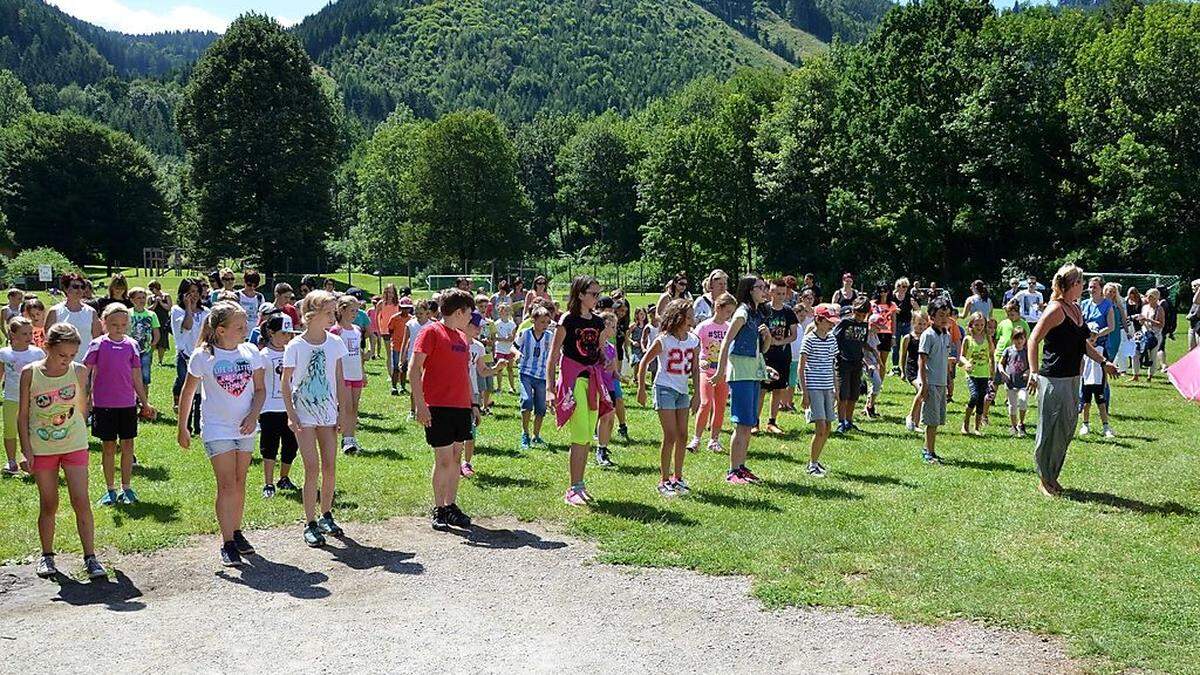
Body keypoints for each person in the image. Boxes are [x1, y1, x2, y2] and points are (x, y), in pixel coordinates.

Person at [177, 302, 265, 567]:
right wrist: (182, 426)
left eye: (245, 324)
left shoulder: (251, 352)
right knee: (226, 484)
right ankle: (226, 542)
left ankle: (237, 532)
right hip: (217, 428)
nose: (245, 330)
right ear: (220, 330)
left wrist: (253, 416)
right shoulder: (204, 356)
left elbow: (260, 390)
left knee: (240, 482)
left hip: (246, 428)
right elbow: (188, 392)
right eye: (239, 327)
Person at [19, 323, 107, 580]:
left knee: (81, 500)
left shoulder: (79, 372)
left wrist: (75, 430)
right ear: (47, 347)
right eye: (61, 355)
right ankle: (47, 556)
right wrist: (26, 451)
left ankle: (90, 557)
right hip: (42, 448)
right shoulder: (30, 374)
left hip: (74, 445)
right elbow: (23, 415)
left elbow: (82, 408)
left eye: (71, 356)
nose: (66, 361)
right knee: (49, 503)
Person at [1027, 264, 1119, 497]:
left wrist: (1103, 362)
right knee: (1050, 428)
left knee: (1067, 428)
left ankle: (1052, 476)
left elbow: (1083, 344)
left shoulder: (1075, 309)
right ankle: (1044, 479)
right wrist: (1034, 372)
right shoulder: (1055, 309)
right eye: (1080, 282)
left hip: (1072, 377)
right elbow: (1033, 340)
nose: (1084, 287)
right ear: (1072, 284)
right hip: (1053, 378)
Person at [282, 290, 350, 547]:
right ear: (312, 315)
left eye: (334, 312)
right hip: (304, 415)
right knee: (311, 468)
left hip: (328, 415)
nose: (333, 317)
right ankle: (309, 522)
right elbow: (285, 384)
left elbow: (341, 381)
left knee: (330, 466)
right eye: (329, 312)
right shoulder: (295, 346)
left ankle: (326, 514)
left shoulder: (335, 343)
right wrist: (291, 415)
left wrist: (344, 414)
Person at [409, 289, 476, 530]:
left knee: (456, 458)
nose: (471, 317)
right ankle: (439, 507)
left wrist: (473, 404)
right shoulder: (431, 331)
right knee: (444, 459)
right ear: (459, 312)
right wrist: (420, 405)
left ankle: (451, 505)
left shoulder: (461, 337)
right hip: (437, 406)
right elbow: (414, 370)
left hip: (460, 407)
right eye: (469, 312)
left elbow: (465, 374)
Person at [548, 276, 611, 506]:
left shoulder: (597, 322)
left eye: (598, 293)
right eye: (593, 294)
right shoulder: (568, 320)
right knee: (580, 434)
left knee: (587, 437)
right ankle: (573, 488)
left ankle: (580, 484)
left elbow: (598, 350)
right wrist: (549, 388)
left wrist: (606, 361)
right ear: (581, 294)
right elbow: (554, 355)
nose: (597, 298)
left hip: (592, 382)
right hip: (574, 383)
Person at [85, 304, 154, 506]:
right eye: (114, 324)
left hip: (127, 404)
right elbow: (85, 373)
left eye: (123, 324)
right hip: (104, 404)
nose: (119, 328)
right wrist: (84, 400)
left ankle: (127, 487)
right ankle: (110, 490)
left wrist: (144, 401)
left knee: (128, 445)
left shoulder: (132, 345)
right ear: (104, 322)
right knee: (108, 448)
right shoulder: (97, 344)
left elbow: (136, 376)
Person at [711, 275, 771, 485]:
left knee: (748, 423)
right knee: (741, 424)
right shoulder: (742, 313)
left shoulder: (756, 314)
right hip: (741, 374)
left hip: (752, 373)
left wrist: (768, 339)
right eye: (760, 287)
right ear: (749, 289)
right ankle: (733, 471)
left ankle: (741, 467)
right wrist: (720, 371)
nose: (764, 290)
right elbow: (726, 342)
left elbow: (758, 350)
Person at [637, 299, 700, 497]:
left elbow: (696, 369)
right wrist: (641, 388)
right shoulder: (663, 340)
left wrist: (697, 394)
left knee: (683, 435)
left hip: (682, 391)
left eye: (692, 316)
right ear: (677, 317)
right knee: (670, 435)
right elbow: (644, 362)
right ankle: (664, 480)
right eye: (688, 317)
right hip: (665, 388)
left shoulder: (693, 340)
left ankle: (678, 477)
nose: (692, 320)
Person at [256, 310, 299, 498]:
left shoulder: (294, 352)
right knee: (269, 445)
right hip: (270, 408)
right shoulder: (263, 355)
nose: (287, 337)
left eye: (289, 334)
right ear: (271, 333)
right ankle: (268, 482)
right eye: (283, 333)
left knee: (291, 444)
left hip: (290, 407)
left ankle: (284, 477)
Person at [461, 311, 508, 478]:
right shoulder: (454, 343)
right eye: (476, 326)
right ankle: (453, 461)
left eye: (480, 327)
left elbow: (482, 370)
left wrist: (496, 369)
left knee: (470, 430)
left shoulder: (479, 347)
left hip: (472, 392)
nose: (479, 330)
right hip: (455, 392)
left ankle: (466, 463)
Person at [799, 305, 840, 477]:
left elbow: (832, 365)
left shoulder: (831, 339)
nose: (831, 325)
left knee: (828, 426)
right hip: (814, 387)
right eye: (829, 322)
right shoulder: (809, 339)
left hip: (827, 387)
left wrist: (836, 389)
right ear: (819, 320)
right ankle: (812, 464)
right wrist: (805, 393)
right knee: (821, 426)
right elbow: (801, 368)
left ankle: (815, 460)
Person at [690, 293, 735, 452]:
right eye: (728, 311)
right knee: (706, 402)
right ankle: (696, 439)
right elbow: (694, 344)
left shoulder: (730, 328)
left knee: (720, 406)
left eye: (731, 312)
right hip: (707, 371)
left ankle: (714, 439)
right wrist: (699, 359)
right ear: (718, 308)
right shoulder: (704, 326)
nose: (729, 315)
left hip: (723, 372)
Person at [1, 317, 44, 475]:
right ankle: (12, 462)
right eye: (24, 333)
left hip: (33, 400)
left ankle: (32, 461)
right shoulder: (4, 353)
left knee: (32, 431)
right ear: (12, 335)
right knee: (10, 430)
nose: (29, 337)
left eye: (30, 333)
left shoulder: (37, 353)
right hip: (11, 399)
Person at [760, 279, 798, 434]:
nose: (780, 296)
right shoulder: (763, 309)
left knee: (778, 389)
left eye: (783, 293)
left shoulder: (788, 311)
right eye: (777, 292)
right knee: (761, 389)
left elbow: (794, 335)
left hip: (782, 356)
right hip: (765, 355)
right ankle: (755, 422)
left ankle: (772, 422)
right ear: (770, 292)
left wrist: (780, 341)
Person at [171, 279, 209, 436]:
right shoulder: (177, 310)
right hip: (185, 355)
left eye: (196, 292)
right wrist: (188, 307)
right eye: (190, 292)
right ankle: (185, 425)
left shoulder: (206, 312)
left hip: (202, 355)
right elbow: (186, 326)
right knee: (187, 390)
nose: (194, 295)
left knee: (201, 393)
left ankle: (199, 426)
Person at [917, 299, 953, 463]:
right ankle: (927, 452)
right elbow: (922, 361)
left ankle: (931, 449)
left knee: (937, 420)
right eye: (940, 315)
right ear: (932, 317)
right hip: (930, 382)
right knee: (931, 421)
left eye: (947, 315)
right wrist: (924, 384)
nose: (944, 319)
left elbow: (945, 360)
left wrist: (949, 380)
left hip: (941, 382)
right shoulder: (928, 335)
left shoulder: (947, 335)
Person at [330, 295, 366, 455]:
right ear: (342, 310)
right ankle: (345, 438)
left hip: (355, 372)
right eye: (352, 310)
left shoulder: (357, 330)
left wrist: (362, 372)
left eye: (357, 311)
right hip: (342, 374)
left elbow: (358, 352)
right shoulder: (336, 330)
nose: (355, 314)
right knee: (345, 406)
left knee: (354, 407)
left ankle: (351, 437)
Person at [514, 306, 553, 450]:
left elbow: (554, 354)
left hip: (542, 376)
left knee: (541, 408)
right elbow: (514, 346)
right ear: (533, 320)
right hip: (526, 373)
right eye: (542, 322)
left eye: (547, 322)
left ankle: (536, 435)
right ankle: (525, 433)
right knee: (527, 400)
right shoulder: (525, 333)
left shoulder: (549, 336)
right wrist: (517, 354)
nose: (545, 325)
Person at [833, 297, 873, 433]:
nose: (861, 318)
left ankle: (849, 421)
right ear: (853, 310)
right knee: (843, 394)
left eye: (864, 316)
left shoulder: (864, 325)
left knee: (853, 395)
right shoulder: (845, 322)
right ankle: (841, 421)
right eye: (858, 314)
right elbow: (834, 339)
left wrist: (869, 355)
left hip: (857, 363)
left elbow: (861, 342)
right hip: (843, 362)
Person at [46, 272, 101, 364]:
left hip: (85, 363)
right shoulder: (55, 311)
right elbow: (49, 340)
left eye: (82, 287)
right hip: (61, 364)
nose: (79, 290)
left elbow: (96, 341)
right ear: (66, 289)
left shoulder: (91, 312)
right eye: (75, 287)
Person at [958, 311, 993, 436]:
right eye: (977, 325)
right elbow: (961, 356)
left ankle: (977, 427)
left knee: (981, 401)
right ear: (971, 325)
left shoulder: (987, 339)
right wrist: (966, 363)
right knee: (974, 396)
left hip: (984, 374)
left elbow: (991, 356)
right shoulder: (968, 339)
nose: (979, 327)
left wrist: (992, 374)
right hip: (972, 374)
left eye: (982, 325)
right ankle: (965, 423)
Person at [594, 312, 621, 468]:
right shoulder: (596, 347)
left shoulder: (611, 347)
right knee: (605, 417)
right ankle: (600, 450)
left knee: (611, 419)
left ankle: (604, 445)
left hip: (610, 386)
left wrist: (619, 375)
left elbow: (614, 370)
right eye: (612, 326)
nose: (614, 330)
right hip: (600, 387)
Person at [127, 287, 161, 390]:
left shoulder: (151, 314)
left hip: (145, 350)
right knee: (129, 374)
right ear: (132, 300)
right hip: (129, 350)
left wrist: (153, 343)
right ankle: (132, 398)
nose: (142, 300)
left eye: (143, 297)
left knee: (145, 376)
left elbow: (156, 331)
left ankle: (144, 399)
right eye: (138, 298)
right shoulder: (127, 313)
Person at [1000, 327, 1031, 437]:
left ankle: (1021, 423)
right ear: (1012, 339)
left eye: (1021, 338)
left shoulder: (1027, 352)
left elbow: (1032, 366)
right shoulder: (1008, 350)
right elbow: (1001, 363)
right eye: (1016, 338)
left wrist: (1028, 371)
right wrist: (1002, 372)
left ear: (1025, 339)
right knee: (1012, 405)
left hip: (1023, 383)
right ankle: (1013, 426)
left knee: (1023, 401)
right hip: (1011, 382)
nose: (1019, 341)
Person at [889, 277, 920, 372]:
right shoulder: (892, 297)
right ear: (898, 286)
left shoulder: (909, 297)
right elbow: (886, 309)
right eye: (903, 286)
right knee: (895, 346)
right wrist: (893, 309)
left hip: (907, 324)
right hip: (895, 324)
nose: (904, 288)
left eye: (906, 286)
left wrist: (915, 305)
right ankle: (895, 367)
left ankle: (908, 366)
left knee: (910, 345)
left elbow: (917, 310)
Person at [388, 298, 414, 395]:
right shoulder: (394, 318)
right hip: (396, 346)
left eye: (407, 308)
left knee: (404, 368)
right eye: (403, 308)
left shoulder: (412, 319)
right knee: (395, 367)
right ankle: (394, 386)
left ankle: (402, 386)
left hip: (407, 347)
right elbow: (390, 330)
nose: (405, 310)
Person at [1139, 288, 1166, 381]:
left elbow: (1161, 324)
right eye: (1147, 296)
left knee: (1153, 354)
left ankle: (1150, 375)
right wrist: (1141, 321)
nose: (1148, 298)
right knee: (1143, 352)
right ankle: (1138, 371)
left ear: (1156, 297)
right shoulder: (1145, 307)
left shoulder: (1159, 309)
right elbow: (1142, 322)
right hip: (1145, 333)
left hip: (1155, 334)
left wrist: (1148, 320)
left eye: (1150, 296)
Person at [493, 303, 518, 395]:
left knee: (510, 369)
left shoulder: (512, 324)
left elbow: (513, 336)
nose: (506, 313)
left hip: (509, 349)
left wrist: (510, 338)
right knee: (499, 368)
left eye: (508, 310)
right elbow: (494, 337)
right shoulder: (496, 324)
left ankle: (512, 387)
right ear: (500, 312)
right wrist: (503, 339)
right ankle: (499, 388)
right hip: (500, 348)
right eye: (504, 311)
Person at [148, 280, 173, 366]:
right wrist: (155, 303)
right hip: (153, 320)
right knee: (152, 340)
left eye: (152, 288)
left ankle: (160, 361)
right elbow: (149, 309)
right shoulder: (150, 298)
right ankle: (149, 360)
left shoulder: (166, 296)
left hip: (163, 321)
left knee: (162, 341)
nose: (151, 291)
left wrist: (161, 302)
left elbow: (169, 308)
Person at [375, 284, 401, 363]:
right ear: (385, 292)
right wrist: (378, 330)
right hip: (385, 331)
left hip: (396, 331)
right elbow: (376, 317)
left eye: (392, 292)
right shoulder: (381, 303)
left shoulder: (398, 304)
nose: (390, 295)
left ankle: (396, 372)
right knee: (389, 354)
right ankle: (391, 373)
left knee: (397, 353)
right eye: (389, 292)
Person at [1188, 279, 1200, 352]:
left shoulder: (1197, 297)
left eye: (1195, 286)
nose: (1192, 287)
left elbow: (1195, 300)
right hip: (1193, 325)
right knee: (1191, 350)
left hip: (1199, 326)